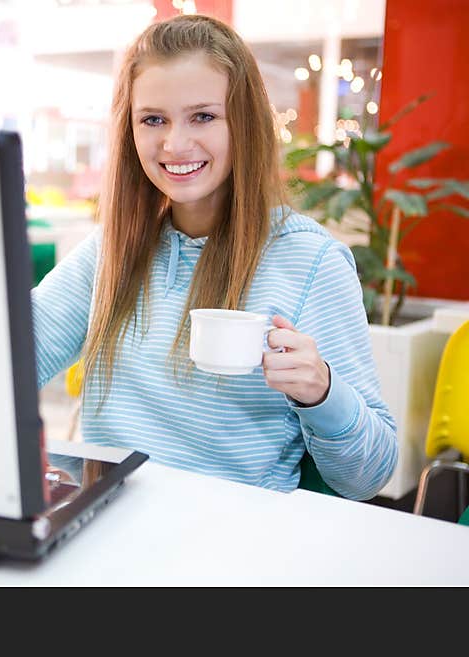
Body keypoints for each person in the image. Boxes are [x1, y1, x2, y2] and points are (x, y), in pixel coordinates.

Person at [31, 14, 397, 500]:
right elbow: (9, 358)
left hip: (231, 545)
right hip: (108, 524)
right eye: (153, 119)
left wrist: (322, 392)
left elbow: (369, 478)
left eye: (202, 116)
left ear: (242, 123)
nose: (175, 144)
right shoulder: (111, 250)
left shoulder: (311, 262)